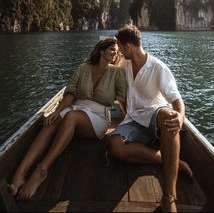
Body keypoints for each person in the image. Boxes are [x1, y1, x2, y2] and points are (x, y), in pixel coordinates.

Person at [9, 37, 126, 200]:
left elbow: (123, 99)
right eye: (112, 49)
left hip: (98, 117)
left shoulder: (117, 72)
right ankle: (19, 174)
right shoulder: (83, 68)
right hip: (76, 108)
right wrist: (57, 111)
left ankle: (41, 171)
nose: (116, 53)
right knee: (51, 122)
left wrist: (128, 123)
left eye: (117, 51)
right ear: (101, 50)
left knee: (71, 117)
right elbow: (71, 93)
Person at [108, 25, 193, 213]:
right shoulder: (125, 64)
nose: (119, 51)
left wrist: (180, 117)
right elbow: (111, 68)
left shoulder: (158, 67)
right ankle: (169, 160)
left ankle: (169, 196)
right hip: (134, 119)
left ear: (128, 47)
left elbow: (177, 100)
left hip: (155, 114)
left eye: (121, 47)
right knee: (114, 146)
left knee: (170, 116)